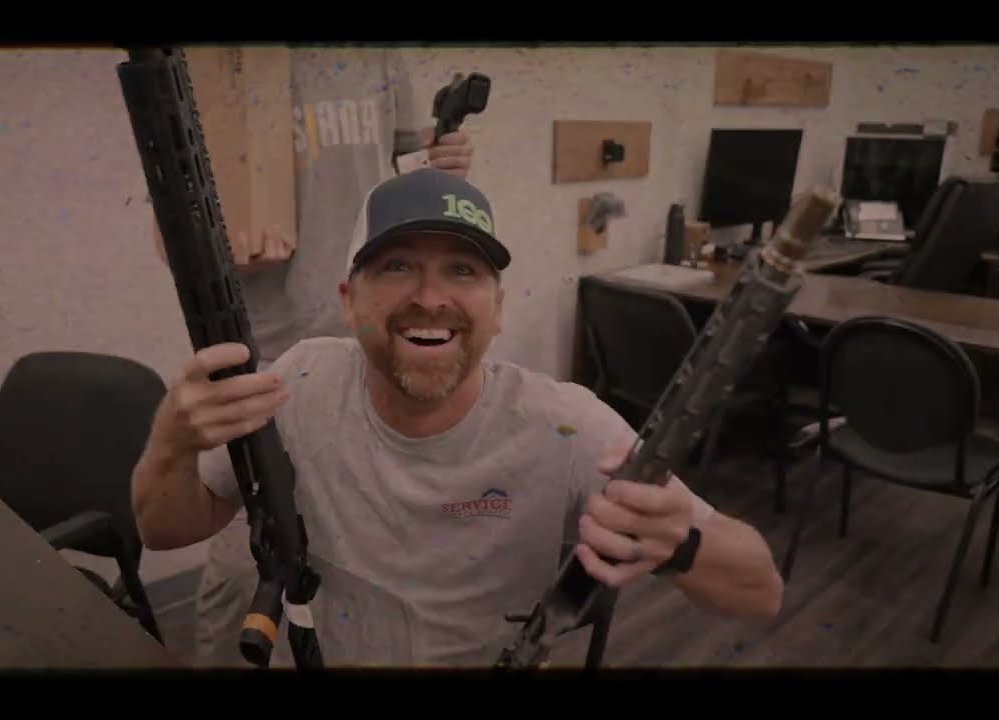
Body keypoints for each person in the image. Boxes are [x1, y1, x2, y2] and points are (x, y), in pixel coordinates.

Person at [133, 167, 786, 667]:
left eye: (462, 270)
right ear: (348, 300)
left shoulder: (564, 427)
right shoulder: (299, 382)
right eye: (397, 266)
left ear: (497, 309)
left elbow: (762, 592)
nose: (430, 297)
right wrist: (172, 443)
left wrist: (681, 545)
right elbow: (164, 531)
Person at [151, 48, 476, 667]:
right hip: (262, 356)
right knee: (246, 571)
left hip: (371, 350)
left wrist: (446, 164)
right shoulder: (221, 61)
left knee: (371, 564)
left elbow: (406, 173)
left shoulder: (379, 57)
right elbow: (170, 229)